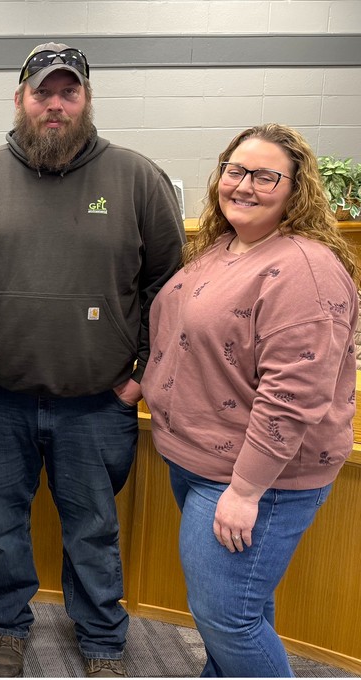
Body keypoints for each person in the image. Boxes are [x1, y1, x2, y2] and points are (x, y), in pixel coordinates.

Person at [0, 43, 186, 677]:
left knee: (93, 529)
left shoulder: (138, 178)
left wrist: (139, 378)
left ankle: (104, 638)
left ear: (86, 100)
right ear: (19, 97)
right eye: (42, 92)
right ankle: (6, 627)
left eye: (68, 92)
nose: (55, 104)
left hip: (98, 403)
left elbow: (169, 287)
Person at [142, 123, 359, 677]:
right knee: (242, 609)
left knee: (227, 619)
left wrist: (245, 489)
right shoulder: (223, 248)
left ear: (295, 189)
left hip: (254, 476)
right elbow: (188, 337)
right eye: (236, 171)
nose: (245, 185)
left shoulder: (304, 269)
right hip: (199, 458)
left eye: (266, 176)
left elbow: (293, 394)